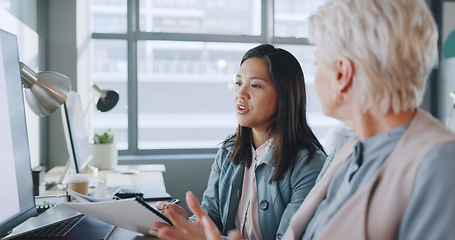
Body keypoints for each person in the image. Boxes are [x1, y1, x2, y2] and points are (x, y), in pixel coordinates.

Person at [169, 0, 455, 239]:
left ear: (342, 74)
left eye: (318, 64)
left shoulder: (439, 165)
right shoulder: (344, 154)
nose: (314, 79)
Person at [150, 44, 327, 240]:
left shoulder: (310, 165)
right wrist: (187, 224)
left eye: (255, 85)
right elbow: (212, 217)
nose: (241, 94)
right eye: (238, 82)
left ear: (284, 96)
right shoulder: (228, 151)